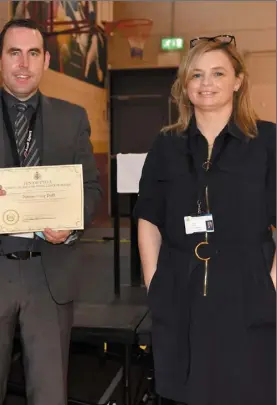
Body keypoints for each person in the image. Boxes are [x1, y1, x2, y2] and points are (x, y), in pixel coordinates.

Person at [134, 34, 276, 405]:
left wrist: (272, 284)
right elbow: (148, 217)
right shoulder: (166, 145)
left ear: (238, 80)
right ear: (184, 84)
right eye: (196, 75)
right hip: (182, 293)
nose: (207, 83)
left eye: (217, 73)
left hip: (248, 293)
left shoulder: (267, 142)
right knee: (184, 392)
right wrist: (154, 281)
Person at [0, 18, 101, 405]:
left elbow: (90, 190)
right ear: (2, 59)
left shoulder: (72, 117)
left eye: (33, 53)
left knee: (49, 395)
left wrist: (71, 224)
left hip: (50, 274)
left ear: (45, 61)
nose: (23, 63)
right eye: (14, 53)